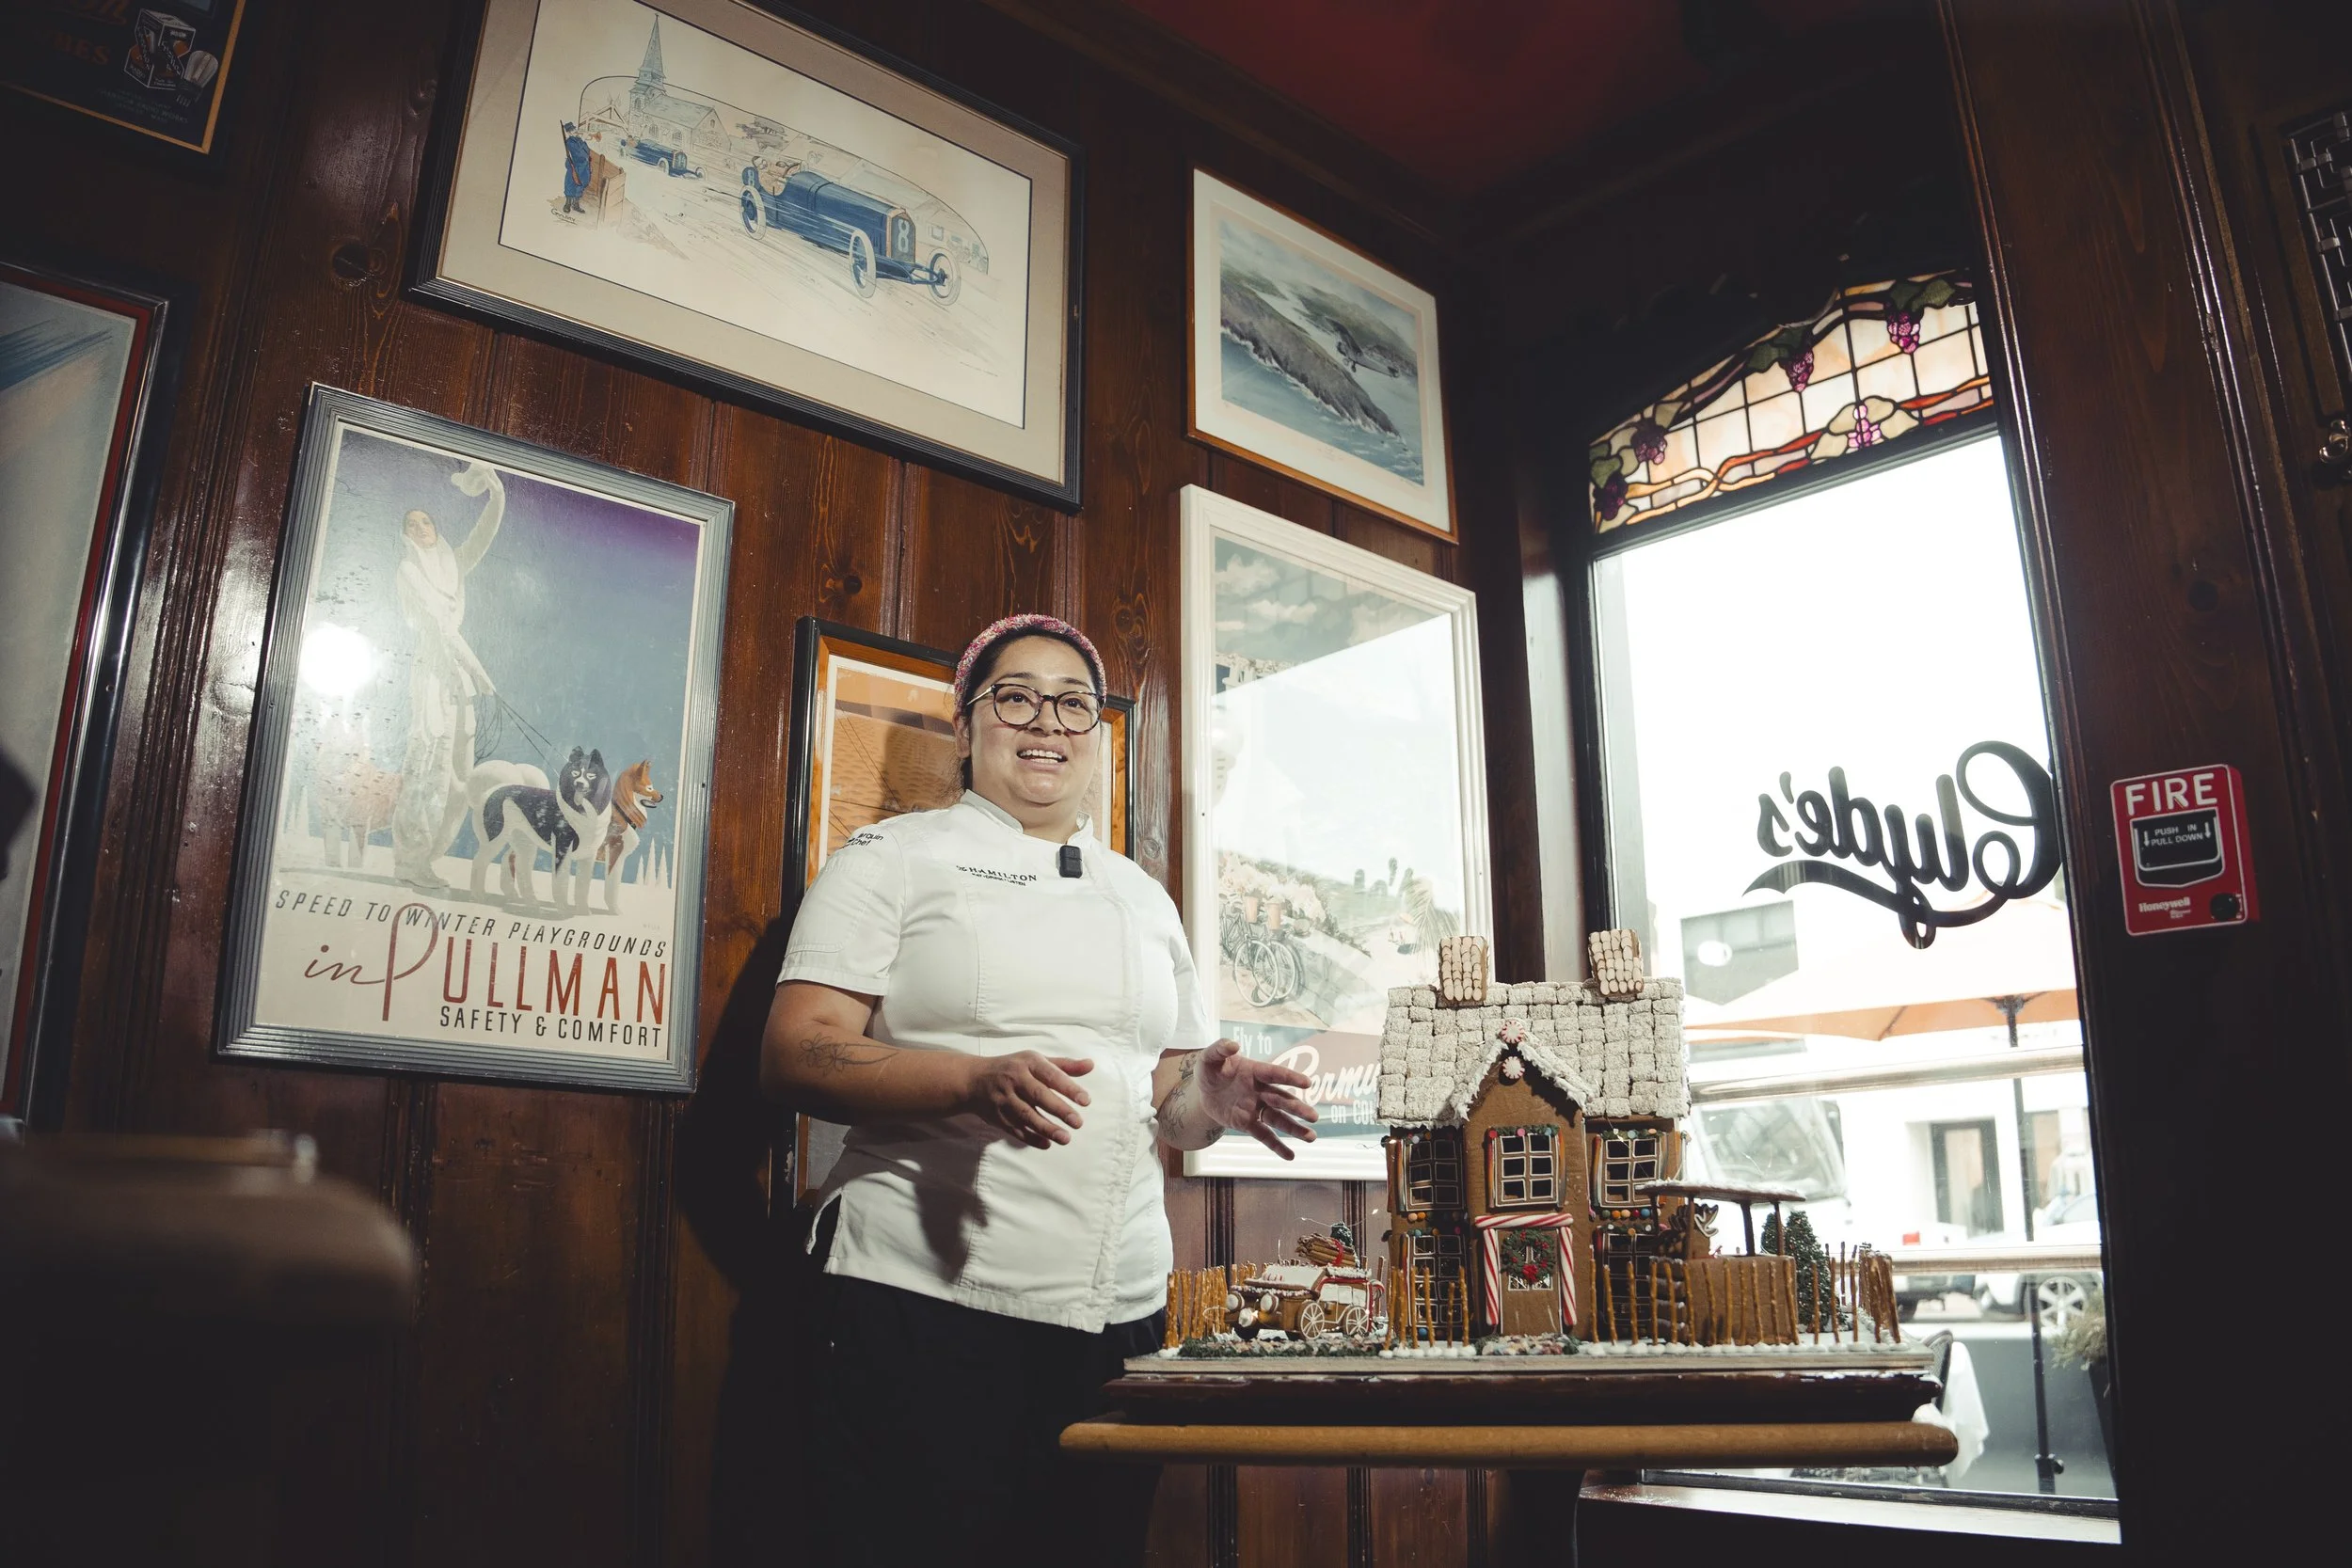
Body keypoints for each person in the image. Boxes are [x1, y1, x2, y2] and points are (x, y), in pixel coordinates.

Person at [763, 613, 1317, 1568]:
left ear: (1096, 736)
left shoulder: (1141, 895)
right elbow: (797, 1052)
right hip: (924, 1297)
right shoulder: (892, 857)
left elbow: (1169, 1095)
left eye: (1072, 702)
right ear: (965, 725)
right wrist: (970, 1077)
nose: (1045, 721)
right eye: (1014, 695)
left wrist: (1212, 1100)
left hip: (1119, 1314)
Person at [389, 461, 503, 888]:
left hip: (460, 686)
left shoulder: (453, 566)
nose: (421, 527)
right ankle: (409, 861)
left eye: (427, 521)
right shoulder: (409, 571)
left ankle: (430, 857)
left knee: (459, 780)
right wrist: (480, 672)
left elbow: (483, 537)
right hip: (433, 679)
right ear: (405, 534)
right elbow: (440, 629)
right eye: (412, 523)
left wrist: (497, 497)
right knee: (428, 770)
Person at [561, 121, 593, 214]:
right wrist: (582, 139)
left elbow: (586, 149)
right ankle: (567, 204)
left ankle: (575, 205)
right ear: (568, 133)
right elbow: (576, 150)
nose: (574, 131)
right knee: (571, 184)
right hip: (575, 166)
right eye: (572, 130)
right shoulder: (570, 142)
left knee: (581, 185)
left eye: (574, 129)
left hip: (584, 166)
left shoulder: (579, 139)